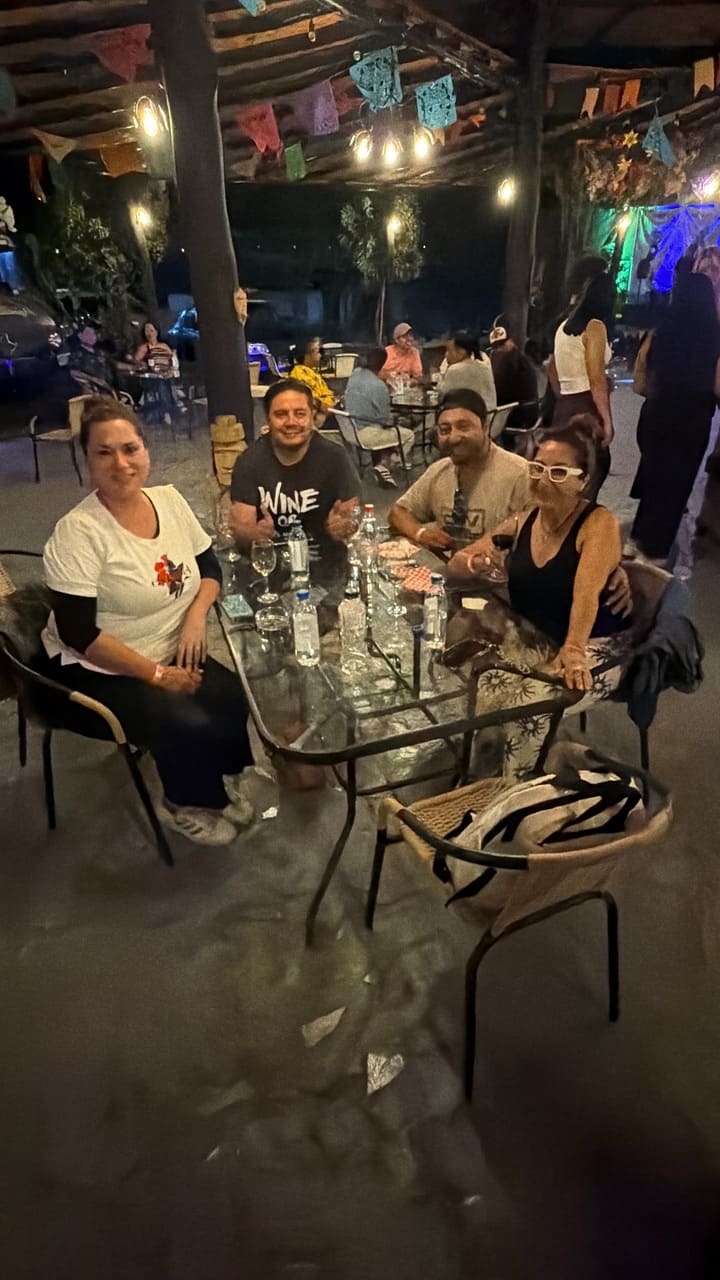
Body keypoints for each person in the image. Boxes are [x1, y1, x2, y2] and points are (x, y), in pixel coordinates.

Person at [39, 397, 253, 847]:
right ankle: (183, 802)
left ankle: (217, 782)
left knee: (231, 694)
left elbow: (209, 568)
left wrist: (195, 617)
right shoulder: (78, 533)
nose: (121, 464)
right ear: (87, 460)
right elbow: (79, 634)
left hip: (171, 642)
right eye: (104, 452)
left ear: (145, 449)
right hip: (98, 667)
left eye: (130, 449)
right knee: (181, 718)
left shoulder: (169, 501)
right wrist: (156, 674)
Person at [448, 425, 633, 777]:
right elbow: (458, 563)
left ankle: (517, 791)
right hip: (540, 636)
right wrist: (476, 563)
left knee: (527, 707)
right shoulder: (524, 519)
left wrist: (573, 651)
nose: (543, 479)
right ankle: (479, 780)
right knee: (483, 683)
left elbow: (585, 596)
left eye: (559, 472)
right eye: (537, 468)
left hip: (595, 644)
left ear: (583, 481)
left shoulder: (598, 525)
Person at [630, 271, 720, 562]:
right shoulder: (715, 336)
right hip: (693, 419)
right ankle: (656, 553)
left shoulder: (660, 330)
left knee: (654, 477)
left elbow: (639, 380)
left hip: (657, 414)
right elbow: (718, 384)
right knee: (676, 486)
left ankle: (638, 539)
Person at [230, 379, 360, 579]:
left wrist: (342, 527)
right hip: (268, 570)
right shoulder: (249, 462)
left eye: (300, 414)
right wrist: (255, 534)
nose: (291, 422)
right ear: (268, 420)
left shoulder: (336, 458)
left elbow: (353, 515)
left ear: (312, 417)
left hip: (328, 569)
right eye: (281, 414)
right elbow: (241, 531)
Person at [388, 389, 531, 553]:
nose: (453, 437)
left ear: (485, 428)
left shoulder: (520, 474)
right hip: (447, 566)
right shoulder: (440, 470)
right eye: (445, 430)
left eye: (464, 427)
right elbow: (398, 512)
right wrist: (420, 533)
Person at [547, 270, 615, 444]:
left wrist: (563, 397)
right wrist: (607, 421)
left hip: (564, 405)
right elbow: (596, 379)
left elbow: (551, 368)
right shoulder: (595, 327)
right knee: (588, 457)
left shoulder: (563, 327)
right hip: (586, 405)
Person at [344, 347, 416, 487]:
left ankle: (382, 464)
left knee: (390, 431)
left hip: (351, 430)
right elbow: (385, 420)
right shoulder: (379, 386)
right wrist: (400, 418)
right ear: (382, 364)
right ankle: (385, 466)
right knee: (407, 434)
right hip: (368, 434)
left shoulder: (355, 374)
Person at [436, 331, 497, 411]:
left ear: (461, 351)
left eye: (448, 350)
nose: (446, 354)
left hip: (472, 416)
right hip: (490, 415)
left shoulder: (455, 370)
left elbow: (442, 398)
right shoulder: (485, 367)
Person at [289, 335, 336, 426]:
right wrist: (329, 405)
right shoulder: (299, 374)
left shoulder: (311, 373)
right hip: (316, 418)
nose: (320, 355)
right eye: (318, 352)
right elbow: (312, 401)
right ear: (308, 354)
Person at [488, 326, 538, 408]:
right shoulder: (495, 362)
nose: (500, 349)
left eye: (502, 344)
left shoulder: (522, 363)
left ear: (511, 341)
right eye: (496, 347)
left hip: (520, 409)